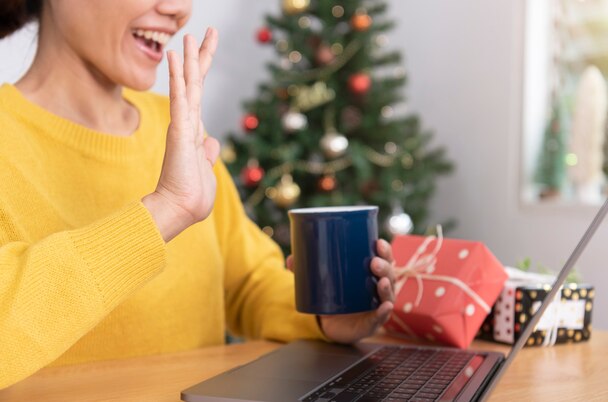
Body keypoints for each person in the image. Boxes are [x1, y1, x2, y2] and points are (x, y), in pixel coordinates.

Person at [0, 0, 396, 390]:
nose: (179, 9)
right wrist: (164, 211)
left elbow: (250, 282)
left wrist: (324, 317)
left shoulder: (177, 127)